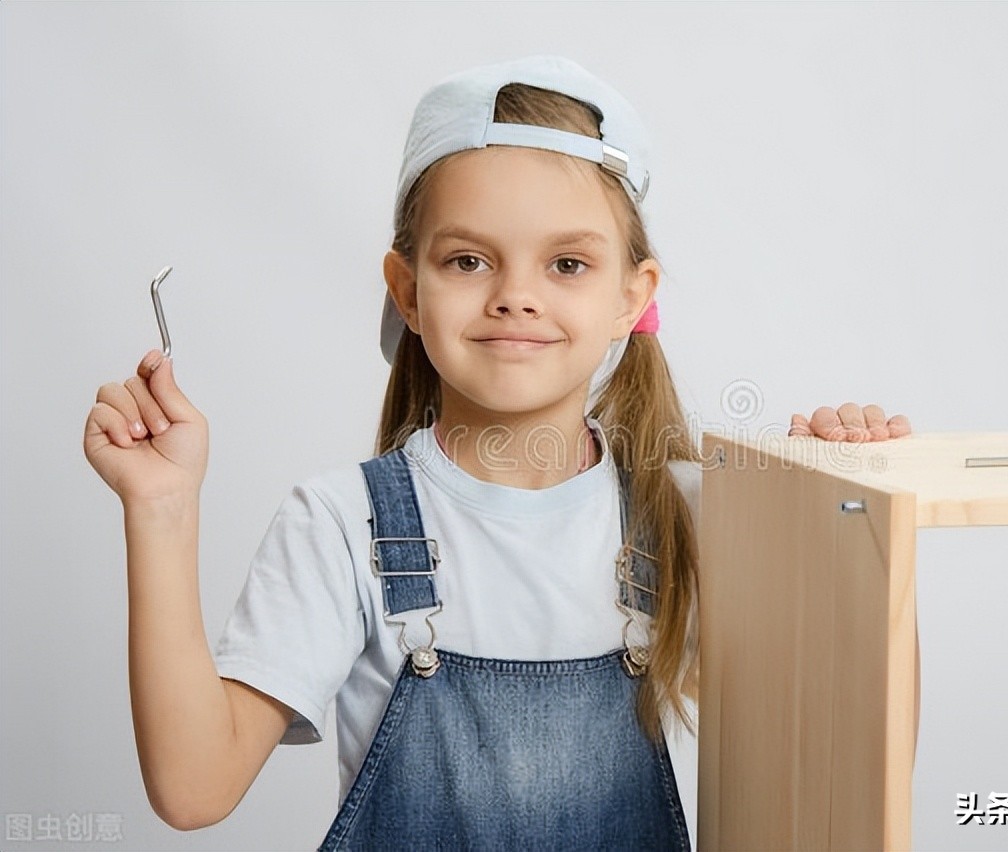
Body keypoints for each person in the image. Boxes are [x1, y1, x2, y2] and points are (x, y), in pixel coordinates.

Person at [83, 55, 912, 850]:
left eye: (567, 263)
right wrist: (161, 511)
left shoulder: (691, 513)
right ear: (408, 291)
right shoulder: (343, 524)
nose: (516, 293)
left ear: (632, 296)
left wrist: (856, 527)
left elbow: (863, 759)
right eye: (469, 259)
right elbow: (195, 789)